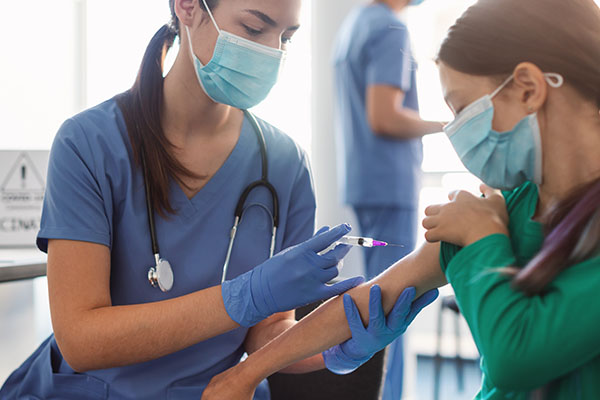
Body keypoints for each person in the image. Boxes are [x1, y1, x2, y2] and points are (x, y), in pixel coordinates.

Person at [0, 1, 434, 398]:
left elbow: (268, 331)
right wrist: (242, 296)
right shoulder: (89, 145)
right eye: (253, 27)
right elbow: (81, 341)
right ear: (188, 7)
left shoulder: (284, 166)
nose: (271, 52)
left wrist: (336, 351)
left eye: (285, 38)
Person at [201, 0, 600, 398]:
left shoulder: (489, 219)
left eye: (462, 110)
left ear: (529, 89)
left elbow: (515, 361)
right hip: (384, 183)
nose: (457, 130)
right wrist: (246, 373)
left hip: (374, 182)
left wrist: (484, 238)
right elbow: (374, 295)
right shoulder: (511, 204)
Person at [333, 0, 445, 397]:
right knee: (392, 305)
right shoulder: (390, 29)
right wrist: (451, 123)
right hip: (389, 183)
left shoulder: (356, 24)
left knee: (380, 298)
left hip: (367, 181)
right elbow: (384, 116)